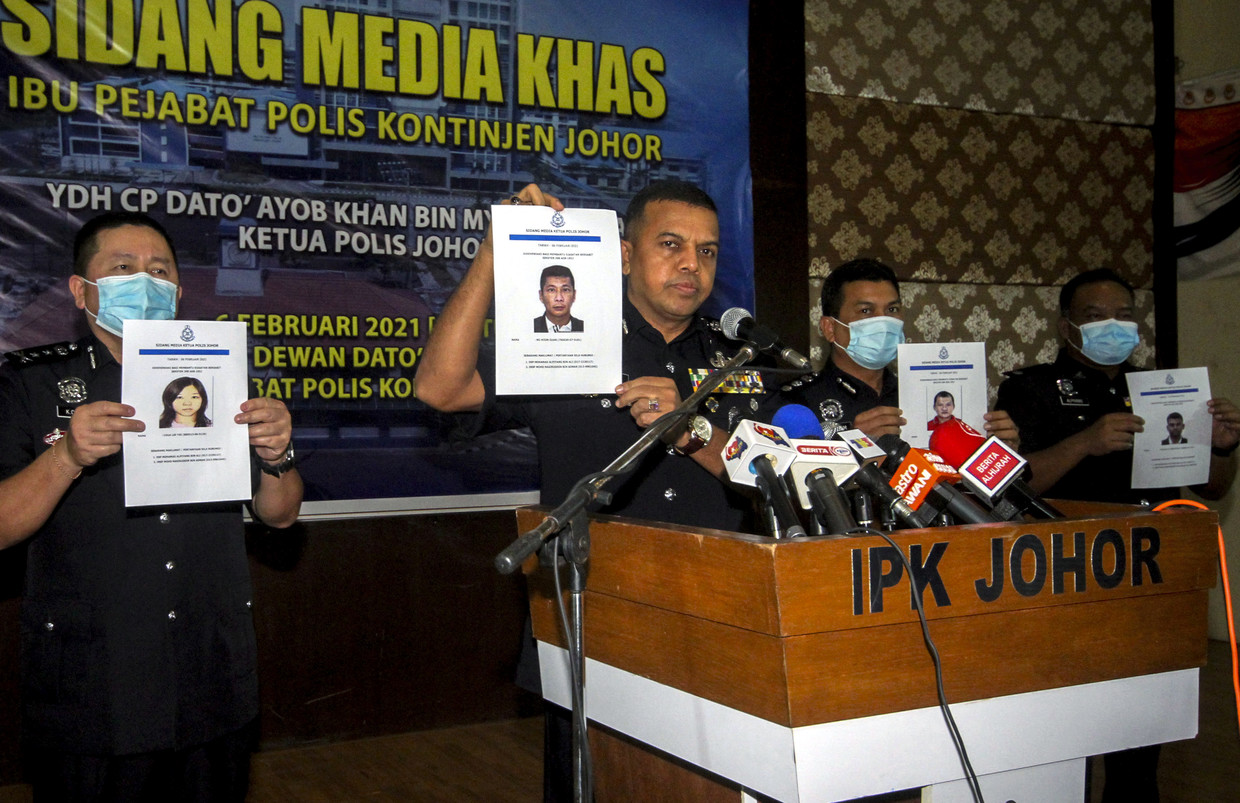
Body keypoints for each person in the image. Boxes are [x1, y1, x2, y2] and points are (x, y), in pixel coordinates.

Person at [415, 180, 763, 801]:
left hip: (718, 630)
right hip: (593, 627)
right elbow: (441, 389)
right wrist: (494, 255)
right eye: (671, 244)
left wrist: (693, 428)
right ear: (625, 254)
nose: (691, 264)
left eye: (707, 251)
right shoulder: (571, 341)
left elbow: (775, 482)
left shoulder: (742, 356)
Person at [0, 211, 304, 801]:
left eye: (159, 270)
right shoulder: (32, 384)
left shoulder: (219, 378)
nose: (144, 282)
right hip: (97, 684)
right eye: (122, 268)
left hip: (209, 676)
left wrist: (277, 454)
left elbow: (279, 514)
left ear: (177, 288)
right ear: (81, 290)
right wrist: (67, 454)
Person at [994, 267, 1240, 802]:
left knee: (1138, 740)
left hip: (1147, 575)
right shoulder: (1029, 388)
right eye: (1096, 316)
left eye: (1125, 315)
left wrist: (1220, 446)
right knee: (1063, 740)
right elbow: (1011, 486)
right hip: (1063, 579)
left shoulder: (1159, 389)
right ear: (1066, 328)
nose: (1114, 326)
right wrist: (1084, 443)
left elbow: (1214, 487)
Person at [773, 258, 1020, 447]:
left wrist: (1001, 453)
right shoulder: (795, 404)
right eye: (866, 312)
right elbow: (787, 501)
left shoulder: (922, 396)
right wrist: (851, 448)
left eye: (892, 309)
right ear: (830, 328)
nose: (884, 322)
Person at [533, 266, 584, 332]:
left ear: (574, 295)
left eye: (565, 290)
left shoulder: (585, 327)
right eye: (551, 290)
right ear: (541, 295)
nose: (559, 298)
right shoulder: (529, 327)